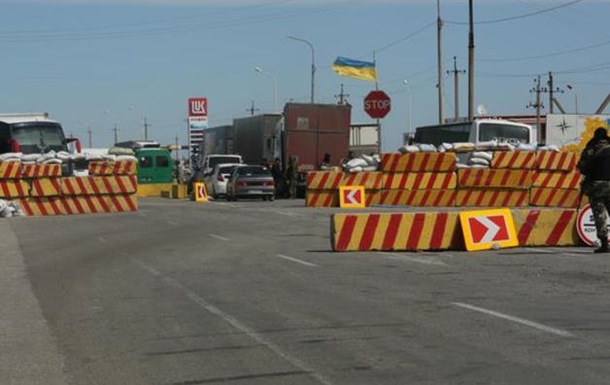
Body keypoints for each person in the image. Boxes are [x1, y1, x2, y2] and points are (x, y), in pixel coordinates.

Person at [578, 127, 610, 253]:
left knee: (599, 215)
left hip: (597, 186)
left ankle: (604, 244)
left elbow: (582, 167)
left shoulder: (591, 150)